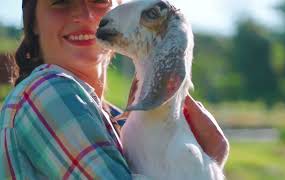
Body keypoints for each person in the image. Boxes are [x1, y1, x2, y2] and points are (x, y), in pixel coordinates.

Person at [0, 0, 229, 179]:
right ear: (33, 23)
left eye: (99, 0)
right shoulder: (46, 91)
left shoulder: (116, 120)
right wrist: (210, 163)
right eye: (61, 1)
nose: (85, 16)